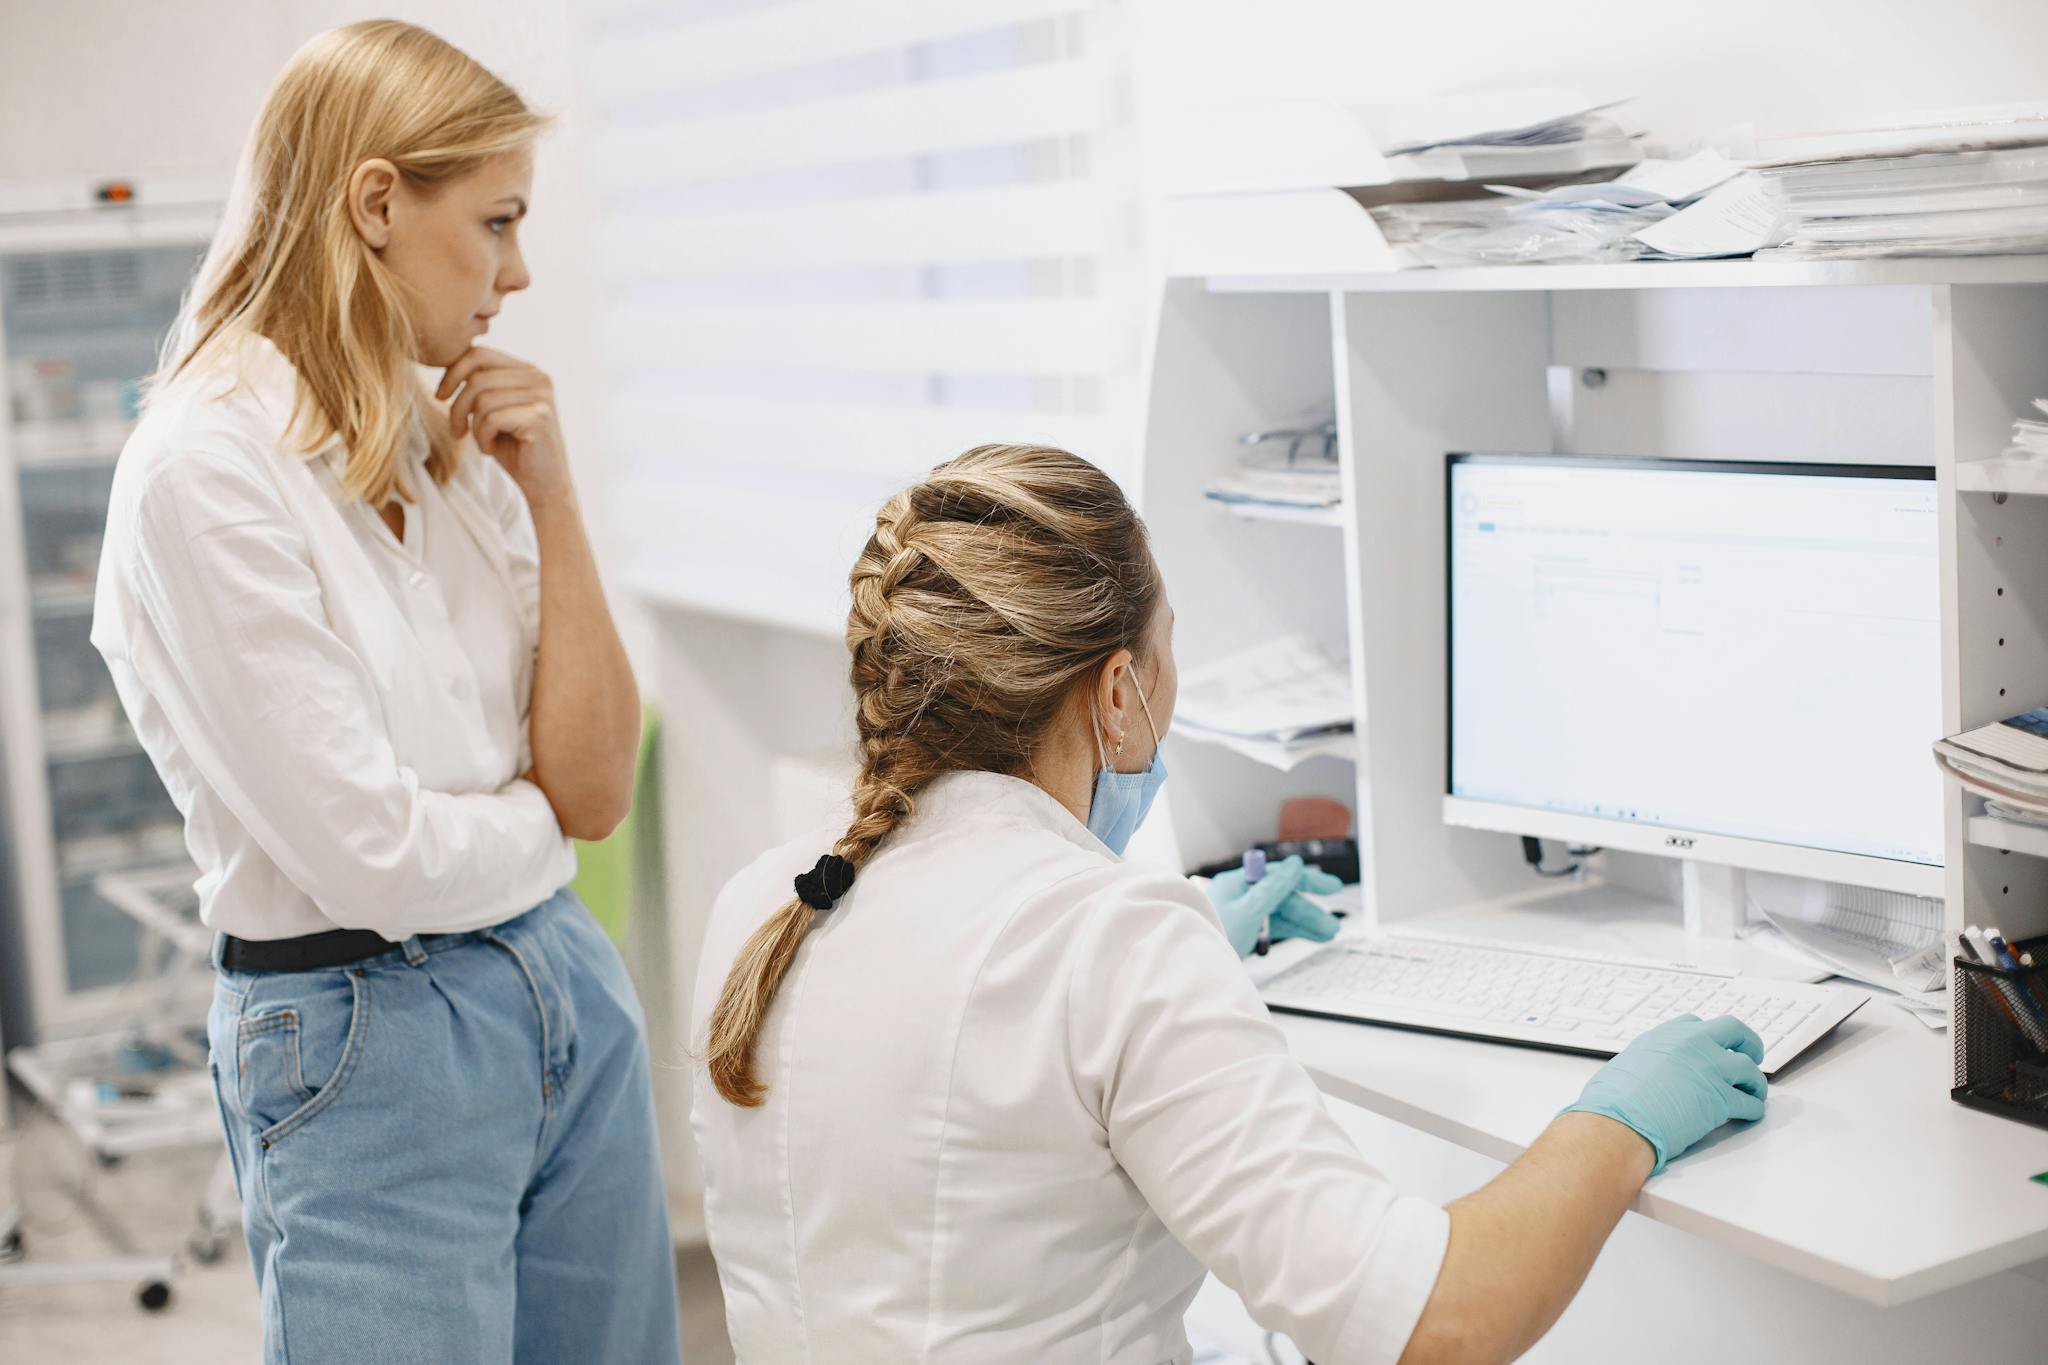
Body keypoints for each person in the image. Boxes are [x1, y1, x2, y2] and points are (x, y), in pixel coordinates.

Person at [690, 444, 1768, 1365]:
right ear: (1115, 693)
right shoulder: (1104, 942)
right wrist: (1617, 1120)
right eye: (1165, 661)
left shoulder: (766, 900)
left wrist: (1190, 941)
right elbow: (1434, 1323)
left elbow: (963, 1066)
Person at [91, 22, 677, 1364]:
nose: (516, 273)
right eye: (497, 222)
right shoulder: (205, 472)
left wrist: (553, 491)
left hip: (563, 992)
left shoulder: (451, 443)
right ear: (374, 205)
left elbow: (588, 781)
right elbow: (375, 860)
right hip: (369, 1039)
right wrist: (538, 833)